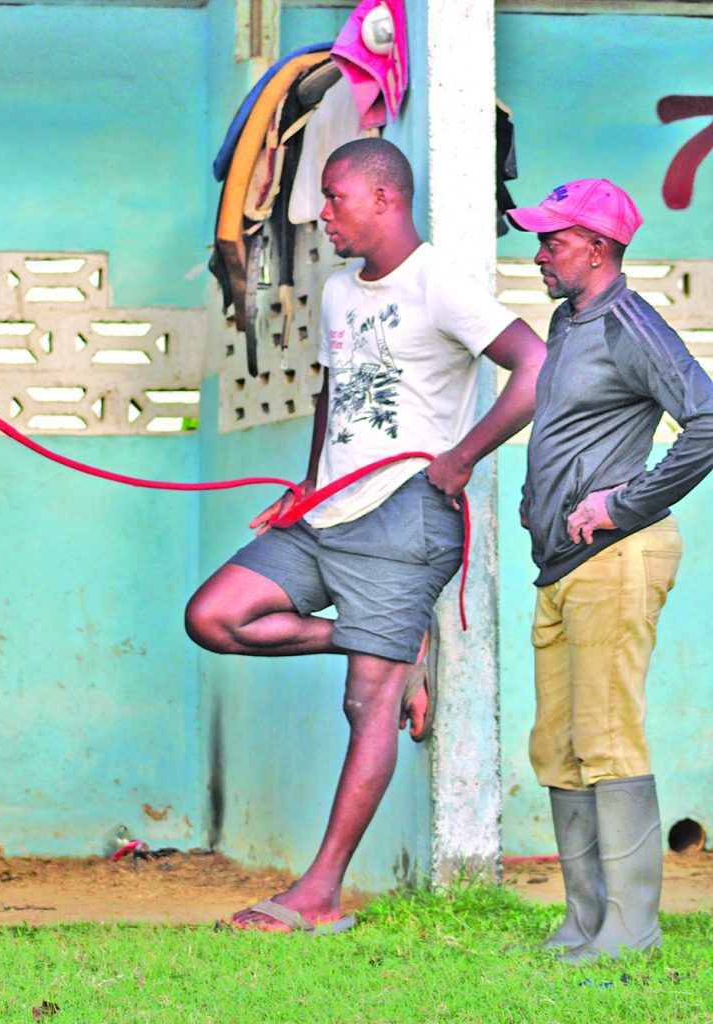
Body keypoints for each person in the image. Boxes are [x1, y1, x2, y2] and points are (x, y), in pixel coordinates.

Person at [185, 138, 546, 934]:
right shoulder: (341, 291)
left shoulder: (439, 283)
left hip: (407, 515)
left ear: (385, 198)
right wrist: (307, 485)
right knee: (213, 616)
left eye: (335, 196)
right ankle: (392, 645)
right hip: (330, 513)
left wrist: (460, 459)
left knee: (365, 701)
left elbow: (534, 365)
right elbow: (330, 392)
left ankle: (319, 893)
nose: (323, 213)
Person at [507, 180, 713, 962]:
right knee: (558, 746)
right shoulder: (569, 322)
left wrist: (625, 502)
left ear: (597, 248)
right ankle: (586, 922)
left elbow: (708, 419)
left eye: (553, 242)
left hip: (617, 558)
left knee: (608, 739)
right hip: (563, 568)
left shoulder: (631, 323)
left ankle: (631, 930)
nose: (539, 254)